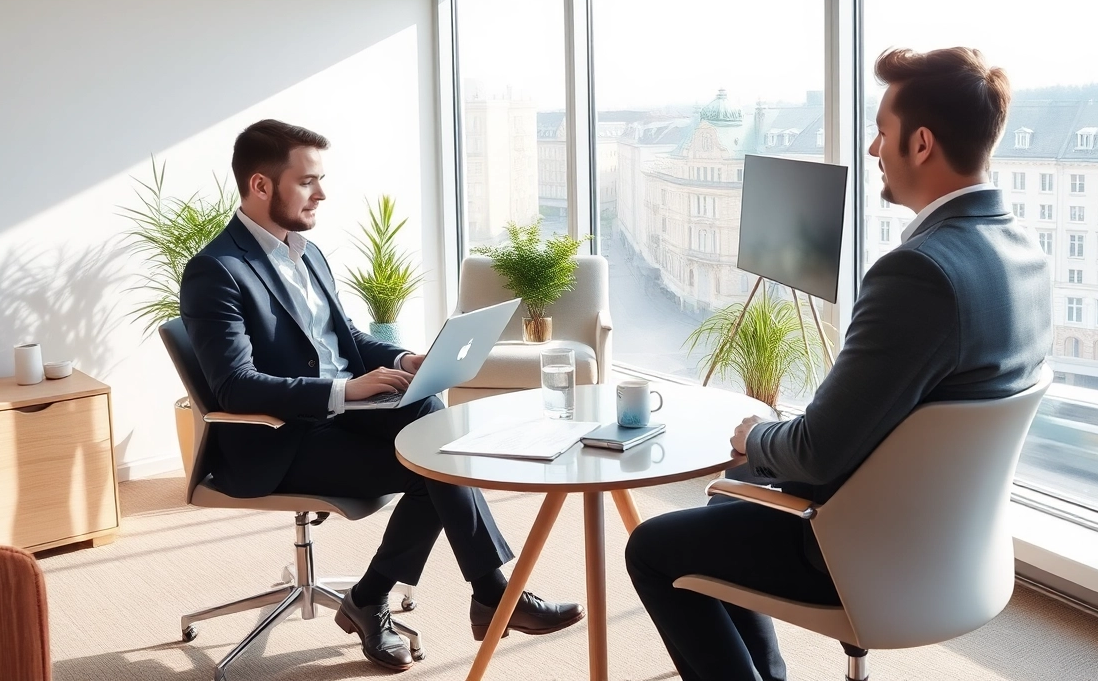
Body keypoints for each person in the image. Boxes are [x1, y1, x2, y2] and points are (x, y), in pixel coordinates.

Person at [625, 47, 1053, 681]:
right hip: (955, 545)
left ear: (922, 144)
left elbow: (819, 452)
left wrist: (757, 437)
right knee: (734, 498)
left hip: (862, 549)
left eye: (882, 131)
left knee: (651, 548)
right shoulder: (1024, 253)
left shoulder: (920, 273)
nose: (874, 149)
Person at [179, 119, 584, 672]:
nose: (322, 193)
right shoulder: (216, 270)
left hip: (343, 415)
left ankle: (427, 596)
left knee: (430, 424)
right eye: (307, 181)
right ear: (261, 185)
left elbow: (344, 338)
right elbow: (235, 385)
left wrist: (400, 361)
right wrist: (345, 390)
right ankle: (455, 595)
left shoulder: (307, 254)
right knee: (435, 467)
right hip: (280, 438)